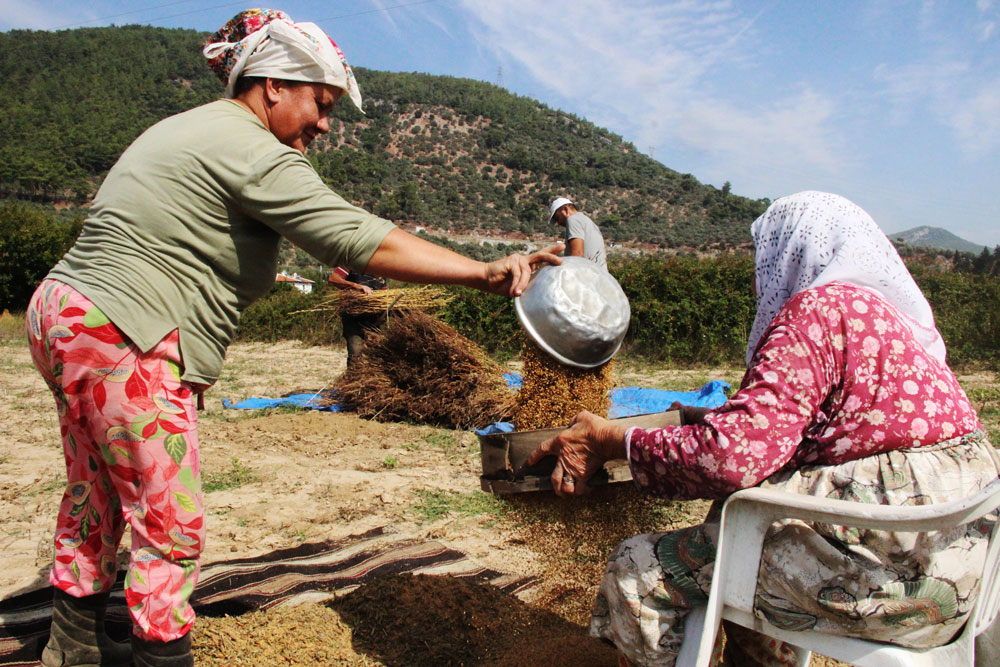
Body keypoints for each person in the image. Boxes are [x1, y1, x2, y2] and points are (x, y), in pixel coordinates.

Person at [26, 9, 560, 667]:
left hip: (68, 313)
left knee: (98, 486)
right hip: (123, 327)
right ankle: (160, 656)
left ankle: (73, 642)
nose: (325, 124)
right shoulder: (249, 145)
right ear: (273, 85)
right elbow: (351, 233)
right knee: (169, 517)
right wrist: (482, 272)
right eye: (321, 103)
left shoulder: (198, 127)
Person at [527, 191, 999, 666]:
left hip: (884, 579)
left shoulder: (817, 312)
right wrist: (705, 420)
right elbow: (811, 427)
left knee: (638, 568)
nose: (759, 278)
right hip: (963, 573)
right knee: (739, 525)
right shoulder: (891, 321)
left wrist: (610, 439)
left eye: (765, 258)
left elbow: (730, 458)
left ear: (791, 253)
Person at [327, 265, 387, 368]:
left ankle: (371, 377)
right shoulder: (350, 264)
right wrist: (356, 286)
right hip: (353, 319)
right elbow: (333, 279)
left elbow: (384, 292)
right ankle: (353, 376)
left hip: (373, 321)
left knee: (377, 354)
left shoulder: (380, 272)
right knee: (356, 354)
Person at [548, 196, 607, 269]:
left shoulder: (573, 219)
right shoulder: (588, 221)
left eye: (557, 218)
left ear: (565, 210)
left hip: (589, 273)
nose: (559, 223)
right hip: (600, 272)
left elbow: (577, 255)